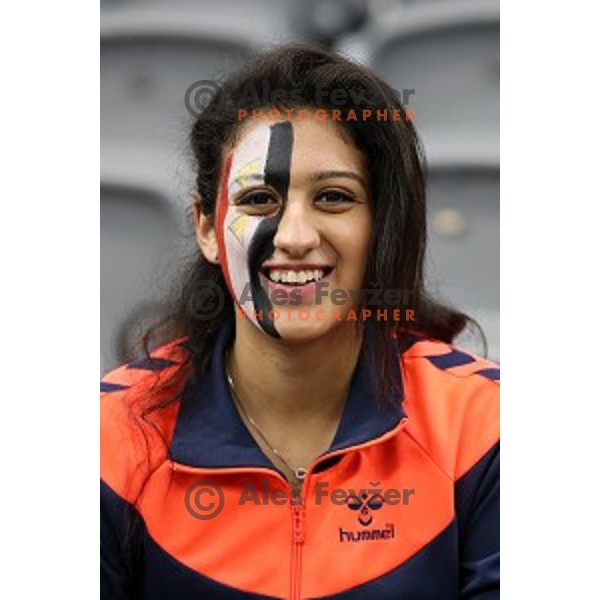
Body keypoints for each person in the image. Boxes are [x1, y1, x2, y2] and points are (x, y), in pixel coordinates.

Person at [101, 45, 499, 599]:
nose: (294, 238)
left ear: (380, 223)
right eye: (260, 199)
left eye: (334, 197)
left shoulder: (485, 427)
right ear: (206, 229)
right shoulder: (110, 435)